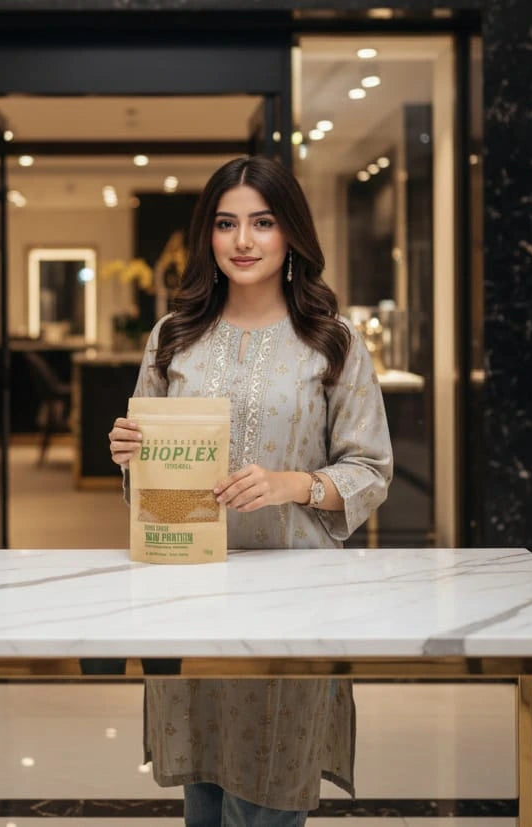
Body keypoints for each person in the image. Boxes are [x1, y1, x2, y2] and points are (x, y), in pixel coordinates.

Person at [108, 155, 393, 827]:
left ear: (290, 232)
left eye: (262, 223)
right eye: (227, 223)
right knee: (204, 794)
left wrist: (292, 483)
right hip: (189, 596)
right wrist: (131, 455)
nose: (243, 241)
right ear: (207, 235)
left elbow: (372, 469)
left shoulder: (334, 343)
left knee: (271, 791)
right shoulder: (172, 339)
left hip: (295, 604)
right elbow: (146, 490)